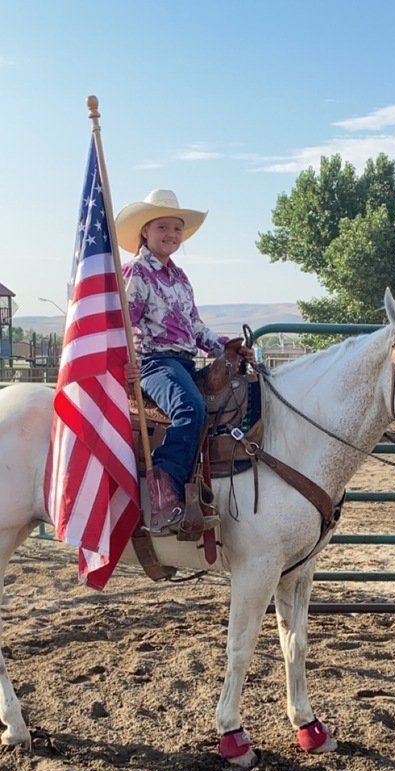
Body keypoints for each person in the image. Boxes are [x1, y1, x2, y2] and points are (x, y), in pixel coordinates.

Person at [115, 189, 255, 535]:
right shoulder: (136, 272)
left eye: (177, 229)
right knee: (189, 409)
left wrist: (227, 348)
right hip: (153, 361)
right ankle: (163, 494)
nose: (171, 235)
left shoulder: (180, 279)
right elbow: (122, 324)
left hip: (183, 362)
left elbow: (195, 326)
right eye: (162, 227)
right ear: (144, 232)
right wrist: (121, 362)